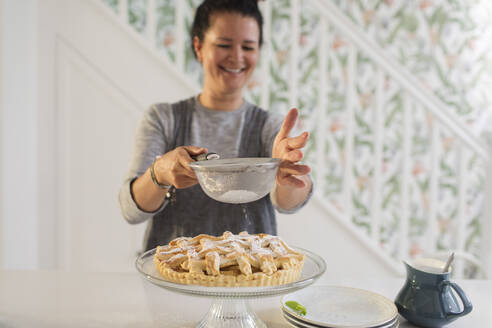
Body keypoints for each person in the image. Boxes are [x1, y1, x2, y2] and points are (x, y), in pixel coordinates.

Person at [119, 0, 313, 251]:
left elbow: (289, 203)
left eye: (248, 47)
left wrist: (288, 175)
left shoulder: (271, 127)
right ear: (199, 47)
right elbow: (130, 210)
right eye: (224, 45)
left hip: (250, 282)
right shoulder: (162, 118)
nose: (237, 57)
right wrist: (159, 173)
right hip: (173, 282)